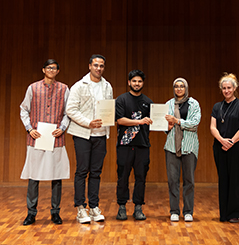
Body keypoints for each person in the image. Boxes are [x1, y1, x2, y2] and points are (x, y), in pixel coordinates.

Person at [20, 59, 70, 225]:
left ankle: (55, 212)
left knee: (56, 177)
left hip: (56, 138)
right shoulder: (33, 88)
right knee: (34, 177)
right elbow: (24, 110)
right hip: (37, 138)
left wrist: (62, 128)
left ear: (58, 71)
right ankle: (31, 213)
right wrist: (29, 128)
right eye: (49, 67)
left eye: (54, 68)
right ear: (43, 70)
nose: (51, 70)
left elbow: (68, 112)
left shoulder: (64, 89)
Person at [66, 54, 113, 224]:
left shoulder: (108, 86)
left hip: (101, 135)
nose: (98, 68)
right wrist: (88, 123)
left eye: (101, 65)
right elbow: (70, 110)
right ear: (89, 66)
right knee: (81, 171)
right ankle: (80, 208)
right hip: (82, 134)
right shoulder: (78, 86)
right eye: (95, 65)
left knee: (96, 172)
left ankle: (94, 207)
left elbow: (108, 108)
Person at [210, 73, 239, 223]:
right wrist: (222, 140)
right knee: (223, 179)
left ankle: (235, 213)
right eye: (224, 88)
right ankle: (224, 214)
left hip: (237, 147)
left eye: (229, 88)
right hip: (220, 147)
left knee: (235, 180)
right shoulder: (217, 106)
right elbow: (212, 127)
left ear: (234, 88)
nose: (226, 90)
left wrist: (231, 141)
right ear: (221, 89)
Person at [115, 70, 153, 221]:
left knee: (141, 177)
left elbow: (154, 121)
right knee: (122, 176)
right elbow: (120, 121)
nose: (137, 84)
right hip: (124, 145)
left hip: (142, 145)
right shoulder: (121, 99)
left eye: (140, 81)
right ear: (129, 82)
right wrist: (140, 121)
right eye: (134, 81)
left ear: (143, 83)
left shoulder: (148, 102)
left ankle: (138, 207)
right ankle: (122, 207)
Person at [164, 78, 201, 222]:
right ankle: (174, 211)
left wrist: (177, 121)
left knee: (189, 180)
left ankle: (188, 212)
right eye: (176, 86)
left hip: (189, 146)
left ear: (186, 88)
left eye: (181, 86)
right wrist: (166, 127)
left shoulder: (194, 103)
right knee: (172, 180)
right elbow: (164, 124)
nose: (179, 89)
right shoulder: (168, 104)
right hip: (171, 146)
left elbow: (194, 124)